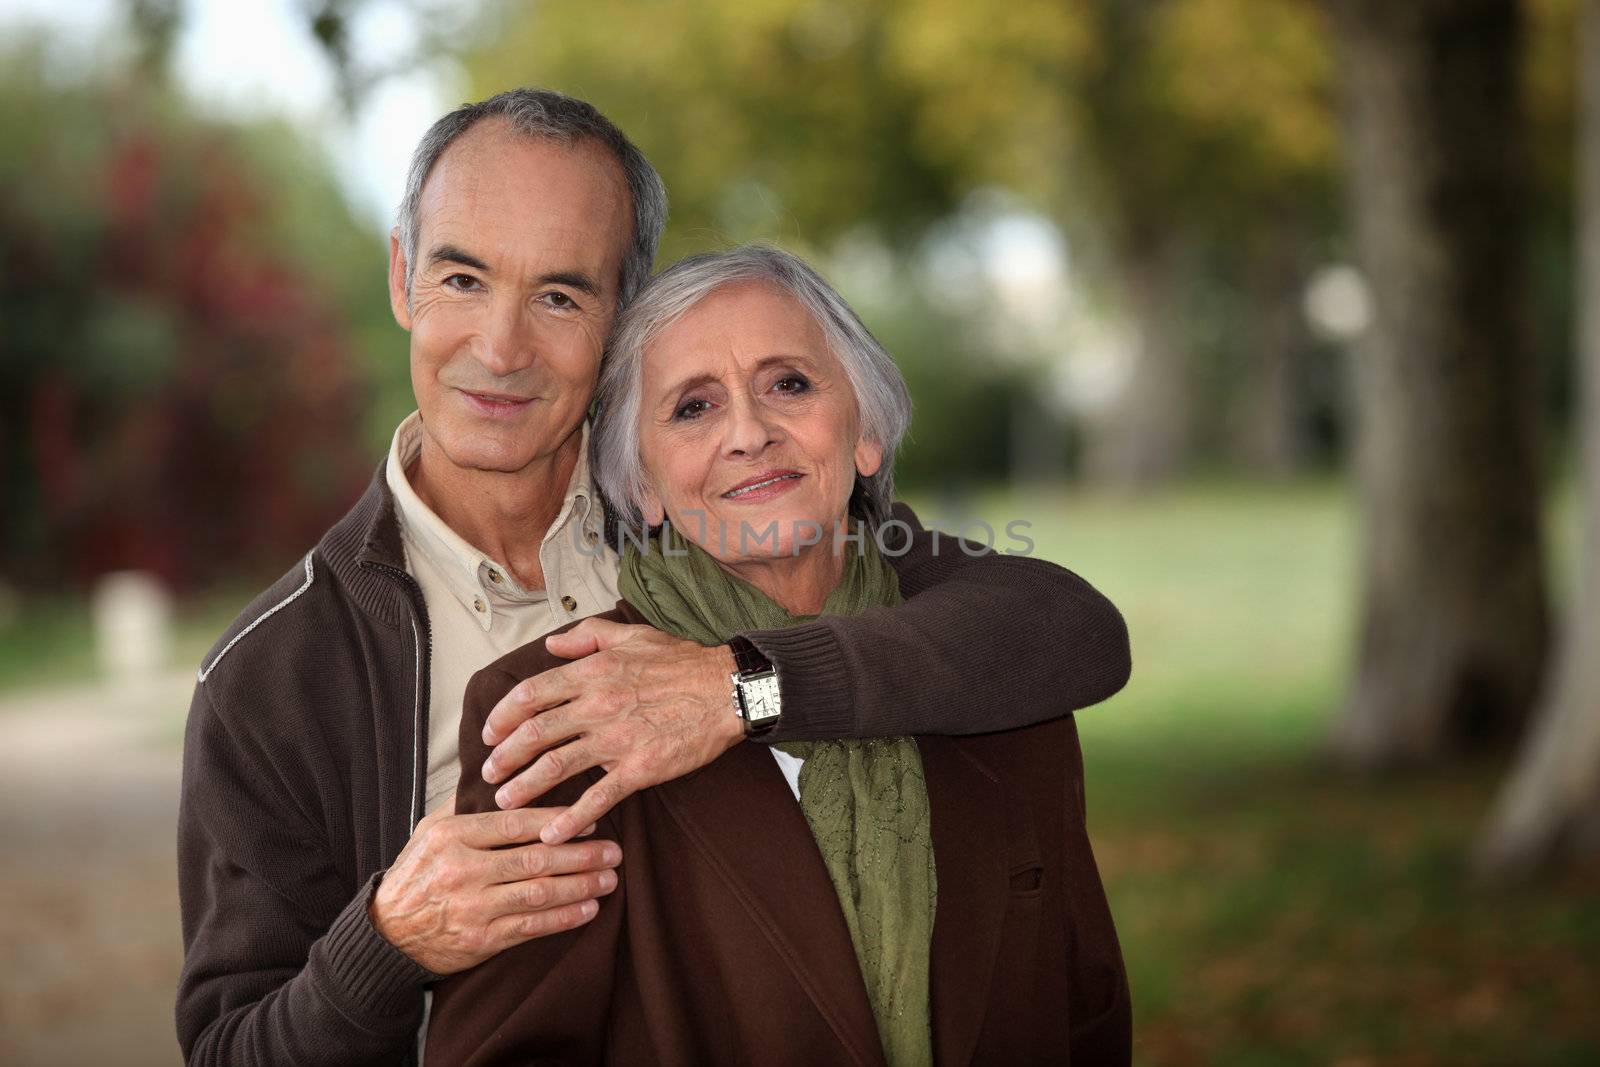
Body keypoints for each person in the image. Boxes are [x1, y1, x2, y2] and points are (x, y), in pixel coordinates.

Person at [176, 90, 1131, 1067]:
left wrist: (739, 686)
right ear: (401, 275)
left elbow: (1052, 623)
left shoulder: (739, 520)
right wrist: (384, 944)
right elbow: (230, 1049)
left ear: (620, 317)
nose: (500, 348)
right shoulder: (272, 675)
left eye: (558, 295)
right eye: (461, 278)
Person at [425, 246, 1132, 1066]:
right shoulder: (557, 711)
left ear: (864, 435)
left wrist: (741, 689)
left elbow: (1087, 1012)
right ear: (642, 486)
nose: (750, 433)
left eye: (789, 384)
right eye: (693, 407)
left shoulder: (999, 676)